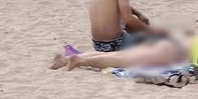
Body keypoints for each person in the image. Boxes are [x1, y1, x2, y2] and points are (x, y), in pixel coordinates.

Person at [50, 37, 188, 71]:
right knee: (120, 60)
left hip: (161, 43)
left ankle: (64, 60)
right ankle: (80, 61)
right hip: (169, 51)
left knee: (117, 54)